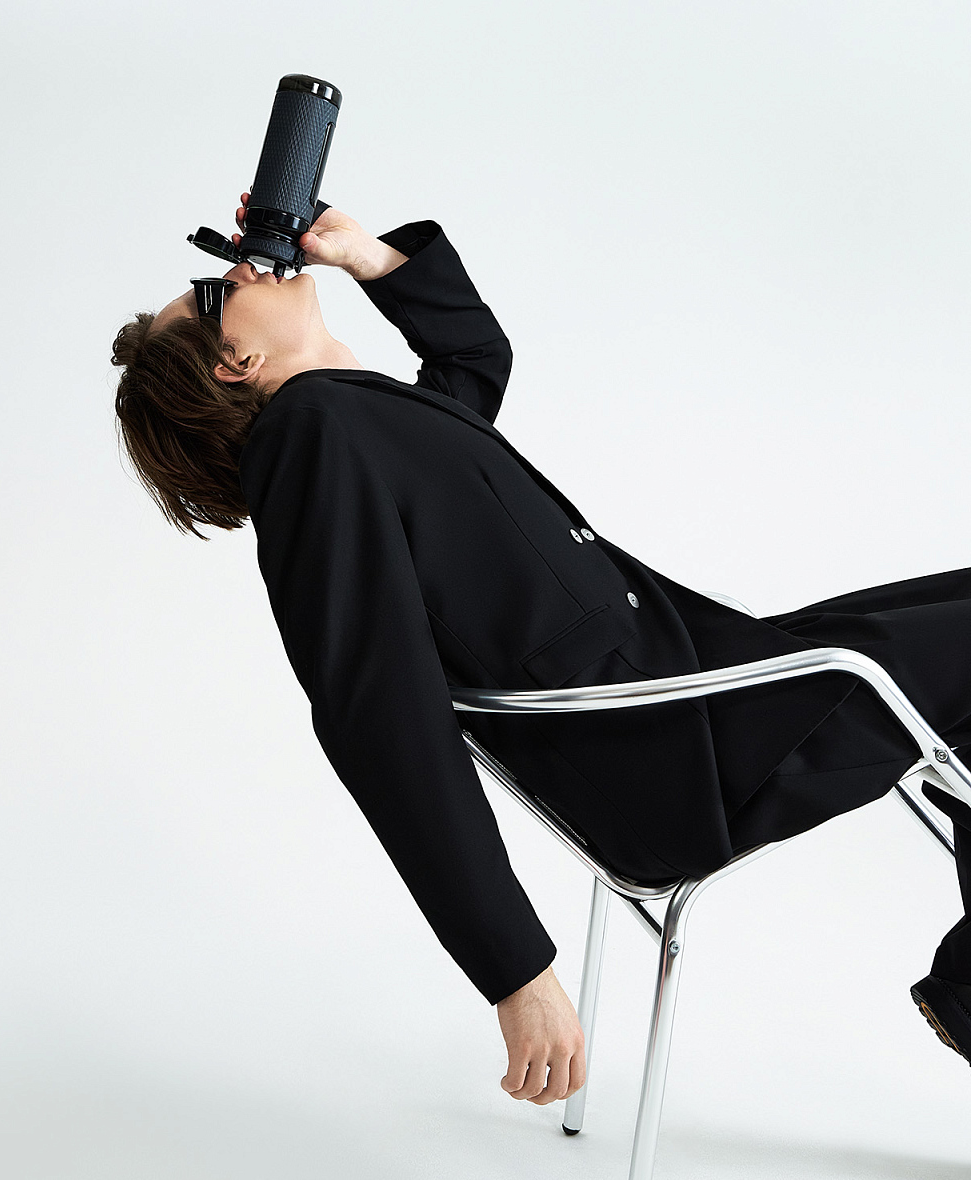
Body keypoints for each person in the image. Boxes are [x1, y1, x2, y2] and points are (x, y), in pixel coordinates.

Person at [111, 194, 971, 1104]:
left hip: (707, 684)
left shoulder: (352, 420)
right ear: (237, 362)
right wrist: (514, 971)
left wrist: (371, 261)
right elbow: (380, 720)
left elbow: (474, 363)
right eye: (216, 291)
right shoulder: (311, 437)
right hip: (688, 751)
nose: (245, 266)